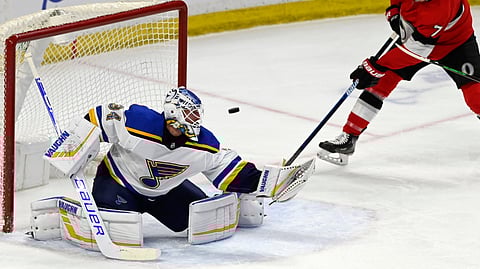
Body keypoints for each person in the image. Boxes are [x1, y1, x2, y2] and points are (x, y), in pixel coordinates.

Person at [32, 86, 313, 247]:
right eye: (184, 118)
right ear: (171, 115)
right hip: (118, 183)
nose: (190, 124)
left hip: (165, 192)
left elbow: (230, 170)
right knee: (120, 231)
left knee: (198, 221)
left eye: (194, 118)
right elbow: (97, 117)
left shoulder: (203, 144)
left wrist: (266, 183)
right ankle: (66, 217)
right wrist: (75, 145)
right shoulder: (138, 122)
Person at [317, 0, 480, 165]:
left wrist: (377, 66)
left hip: (455, 45)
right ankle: (349, 137)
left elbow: (415, 51)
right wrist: (394, 12)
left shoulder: (441, 7)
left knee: (476, 96)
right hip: (416, 35)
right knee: (379, 84)